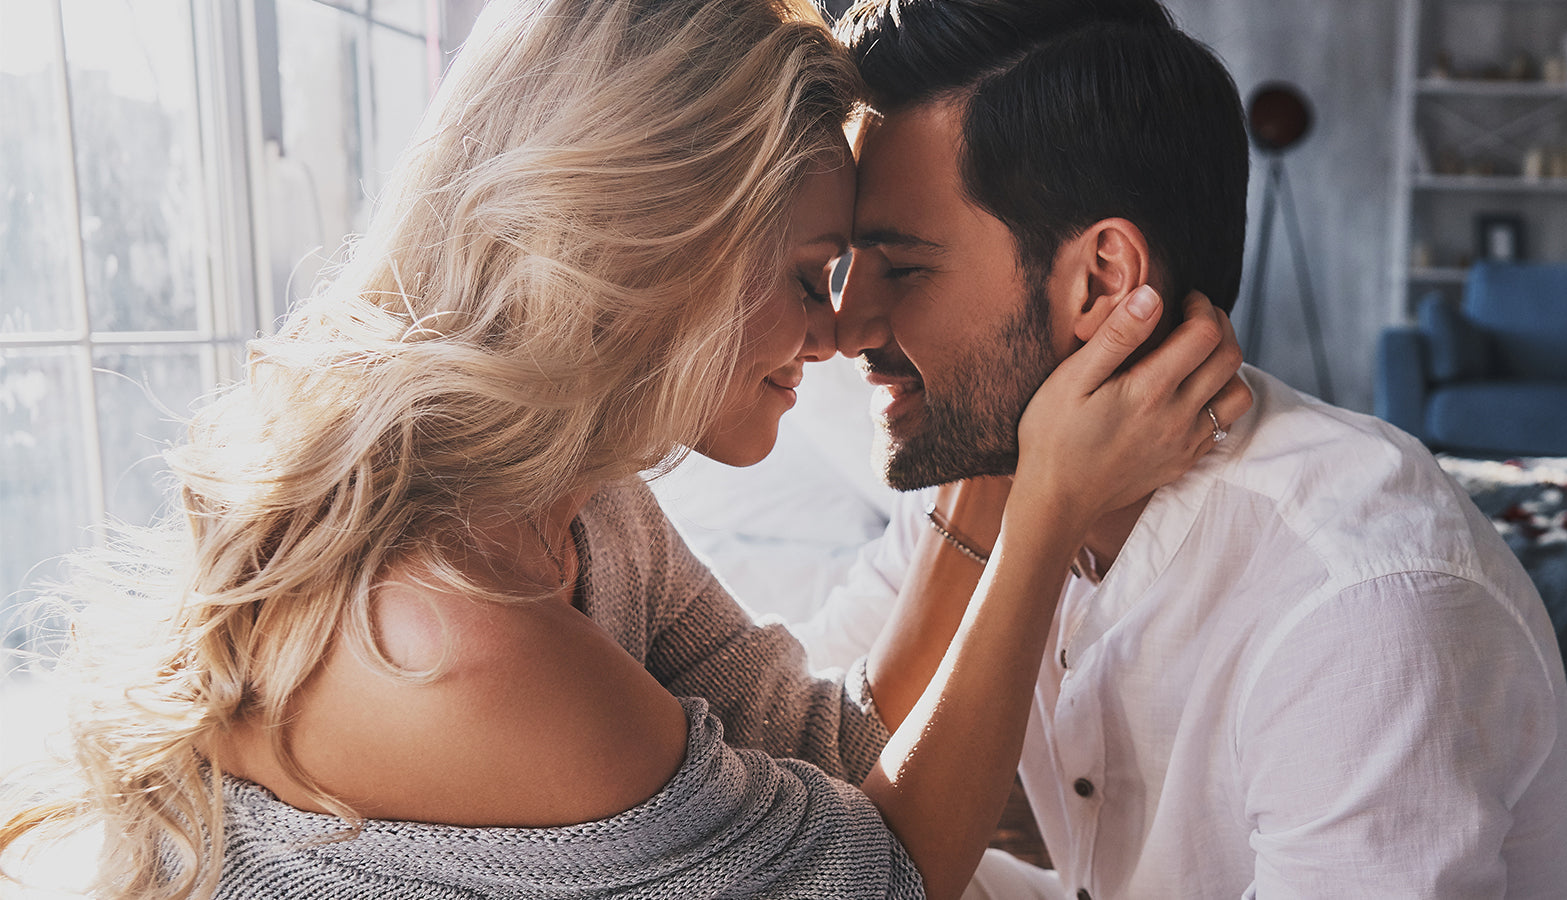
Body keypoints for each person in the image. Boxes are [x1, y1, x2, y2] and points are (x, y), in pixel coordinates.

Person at [0, 1, 1249, 898]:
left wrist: (994, 429)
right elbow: (887, 875)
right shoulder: (452, 636)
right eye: (811, 277)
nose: (832, 335)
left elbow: (834, 754)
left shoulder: (572, 511)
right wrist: (1047, 504)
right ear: (662, 255)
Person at [827, 0, 1567, 897]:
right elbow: (816, 758)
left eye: (904, 266)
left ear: (1103, 280)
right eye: (843, 263)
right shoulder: (981, 479)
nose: (844, 327)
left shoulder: (1361, 605)